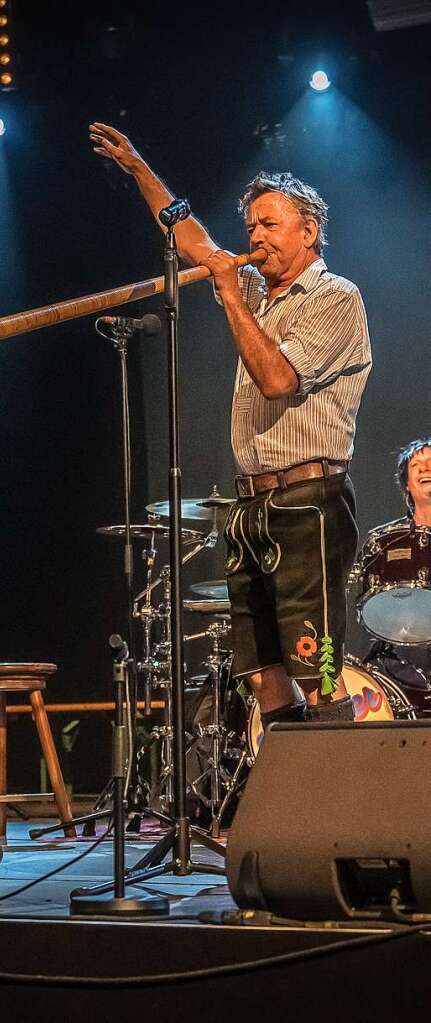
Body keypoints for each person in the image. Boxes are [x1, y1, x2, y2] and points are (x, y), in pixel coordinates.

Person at [90, 122, 371, 727]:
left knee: (314, 665)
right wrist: (140, 168)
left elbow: (278, 380)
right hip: (252, 505)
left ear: (310, 231)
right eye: (251, 226)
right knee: (262, 669)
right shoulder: (254, 292)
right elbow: (195, 241)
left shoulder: (336, 297)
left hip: (309, 501)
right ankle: (288, 806)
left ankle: (336, 810)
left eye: (270, 225)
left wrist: (232, 296)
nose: (255, 237)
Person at [360, 438, 431, 693]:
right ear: (407, 484)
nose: (425, 468)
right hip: (401, 650)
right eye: (417, 465)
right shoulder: (385, 540)